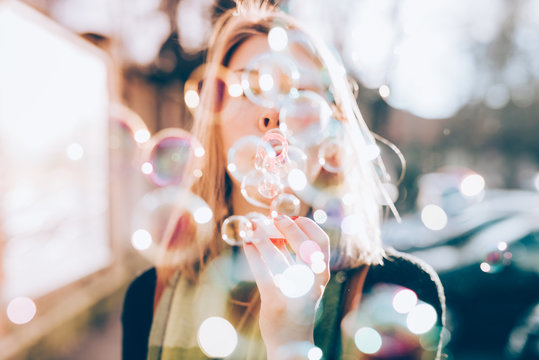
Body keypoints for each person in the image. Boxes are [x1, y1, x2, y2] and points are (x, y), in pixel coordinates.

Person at [122, 1, 446, 359]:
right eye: (251, 87)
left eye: (301, 93)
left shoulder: (402, 291)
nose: (274, 112)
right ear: (215, 120)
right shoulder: (148, 297)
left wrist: (292, 342)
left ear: (333, 131)